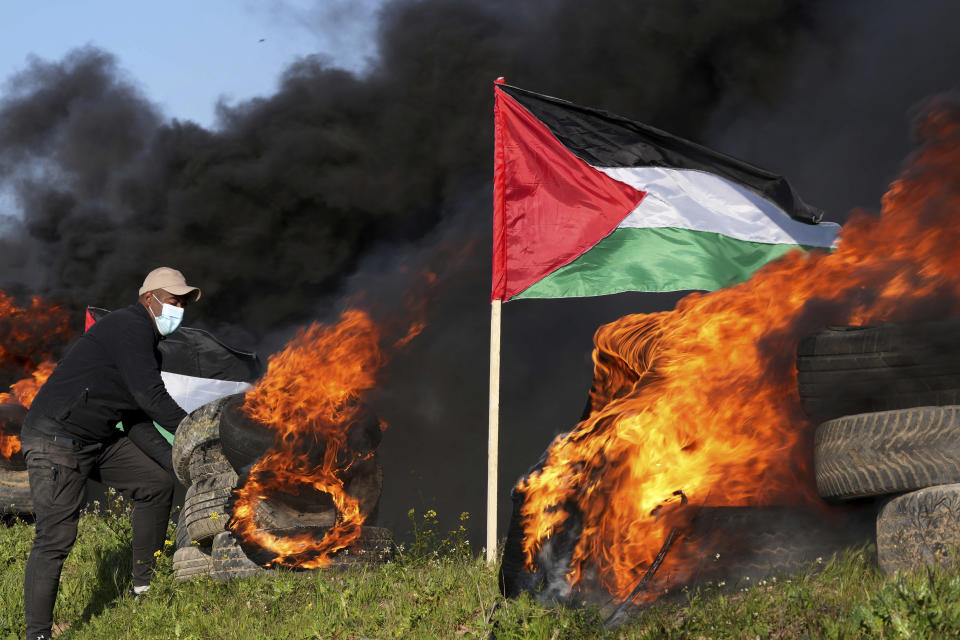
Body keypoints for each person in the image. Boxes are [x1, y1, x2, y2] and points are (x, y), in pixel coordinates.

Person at [19, 267, 200, 640]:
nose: (178, 308)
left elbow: (134, 417)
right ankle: (37, 634)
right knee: (55, 539)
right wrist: (197, 434)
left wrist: (178, 460)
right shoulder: (129, 326)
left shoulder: (146, 341)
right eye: (173, 300)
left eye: (183, 303)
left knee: (155, 484)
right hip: (56, 439)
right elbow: (151, 399)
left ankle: (144, 589)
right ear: (149, 298)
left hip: (95, 439)